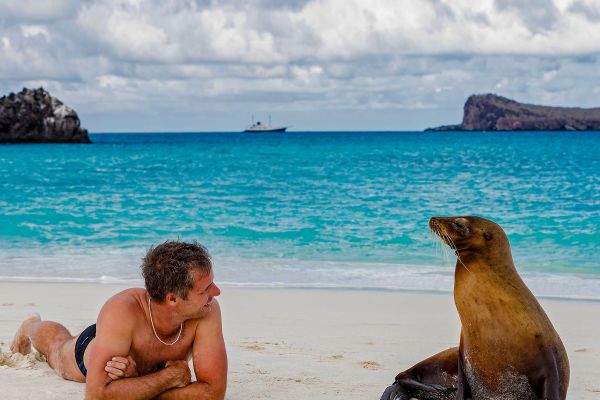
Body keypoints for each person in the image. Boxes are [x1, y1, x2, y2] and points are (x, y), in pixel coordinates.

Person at [10, 241, 227, 400]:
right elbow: (97, 395)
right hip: (98, 347)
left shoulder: (206, 310)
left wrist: (134, 388)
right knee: (57, 348)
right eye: (206, 288)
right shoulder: (121, 309)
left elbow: (212, 392)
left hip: (121, 342)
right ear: (172, 299)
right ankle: (29, 327)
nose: (216, 292)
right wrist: (168, 378)